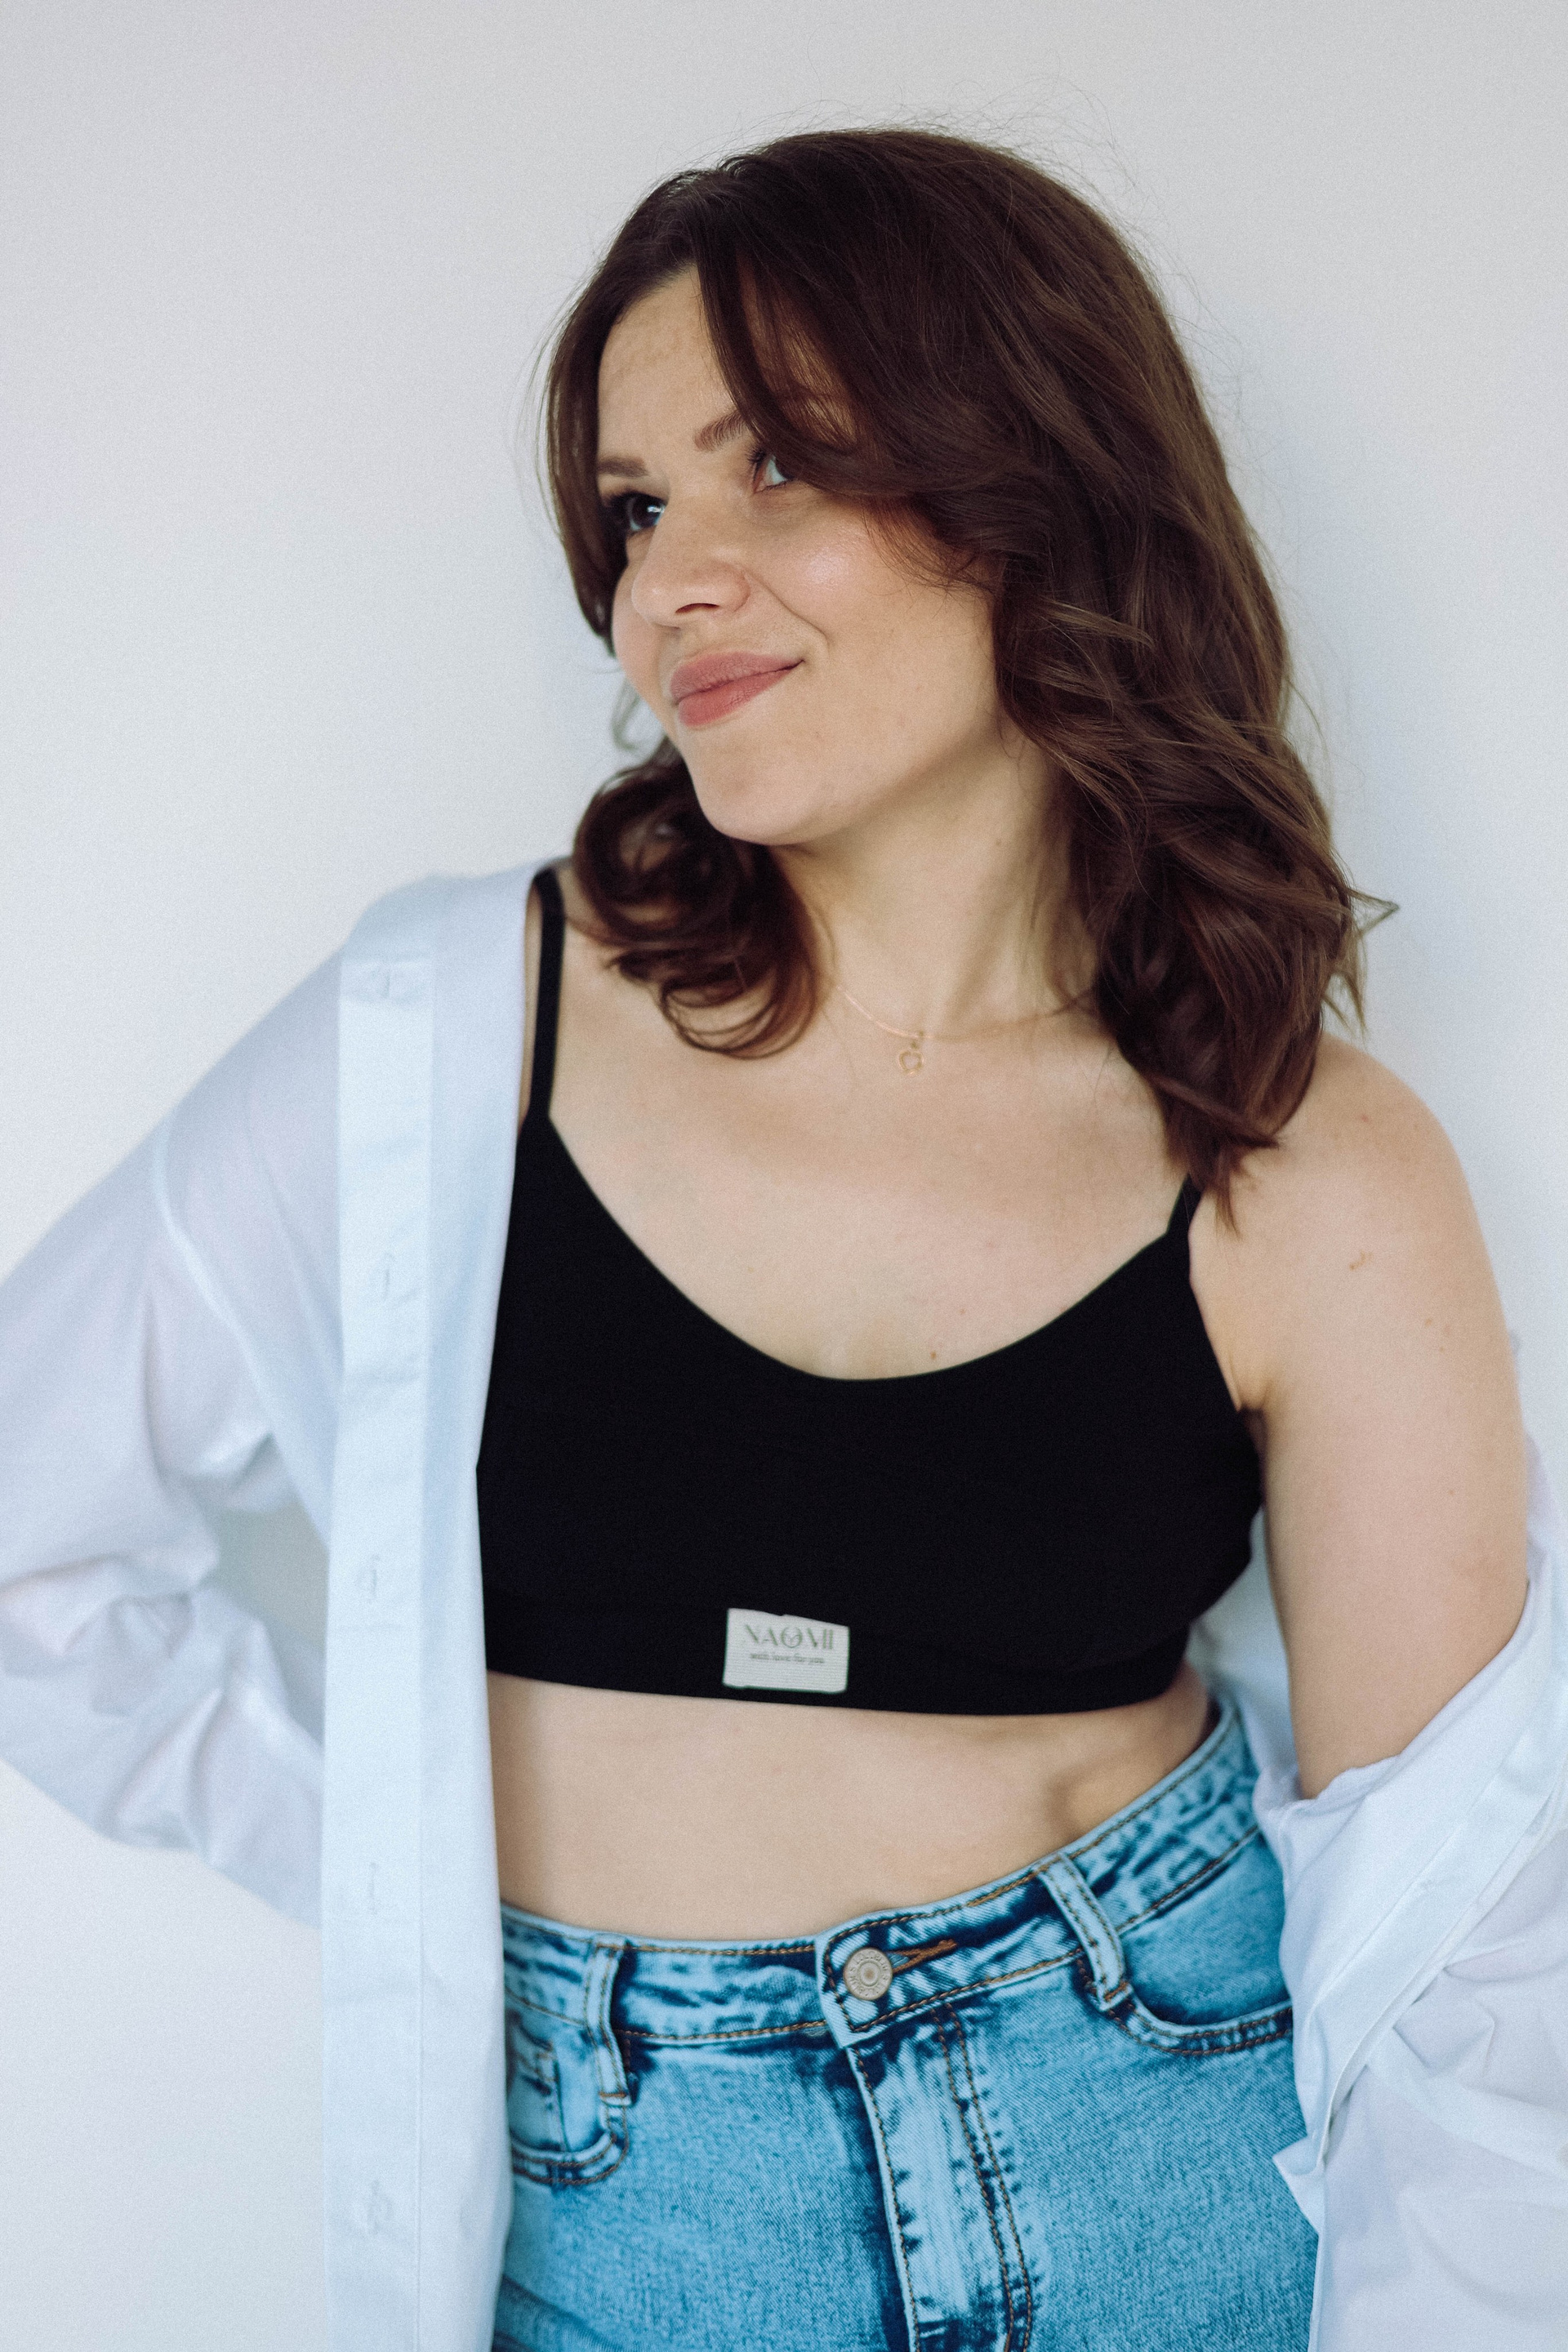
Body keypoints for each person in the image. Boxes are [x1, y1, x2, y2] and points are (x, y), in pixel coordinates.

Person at [2, 126, 1565, 2352]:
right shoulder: (456, 1029)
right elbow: (31, 1528)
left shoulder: (1306, 1156)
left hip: (1166, 2146)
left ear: (1034, 491)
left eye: (779, 467)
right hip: (628, 2211)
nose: (670, 586)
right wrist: (411, 1868)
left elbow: (1470, 1944)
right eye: (637, 510)